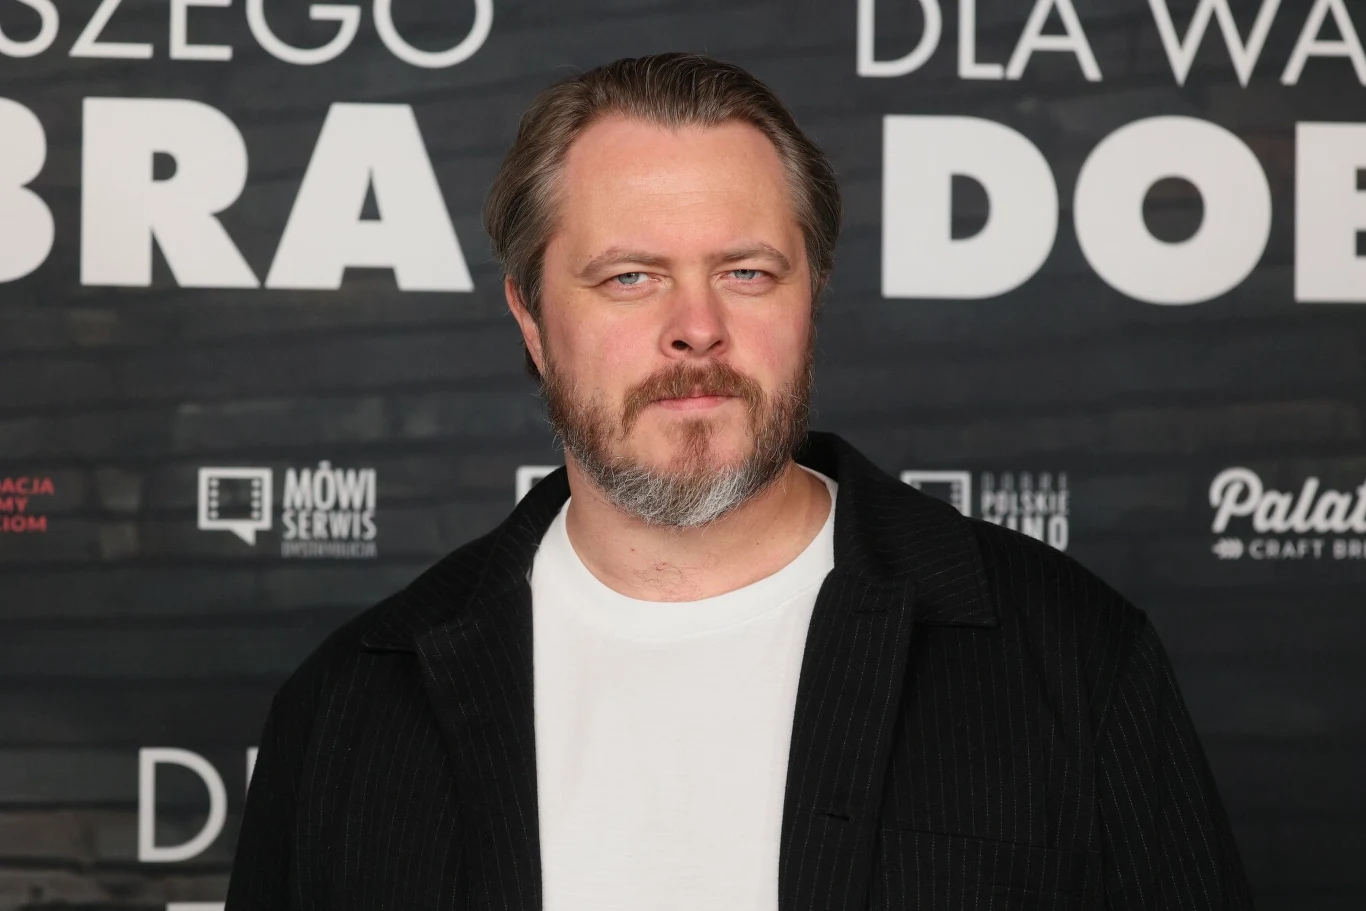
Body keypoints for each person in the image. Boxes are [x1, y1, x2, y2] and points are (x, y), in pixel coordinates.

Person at [226, 53, 1252, 910]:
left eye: (747, 272)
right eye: (629, 276)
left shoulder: (1071, 657)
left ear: (812, 297)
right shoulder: (352, 701)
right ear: (531, 318)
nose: (697, 327)